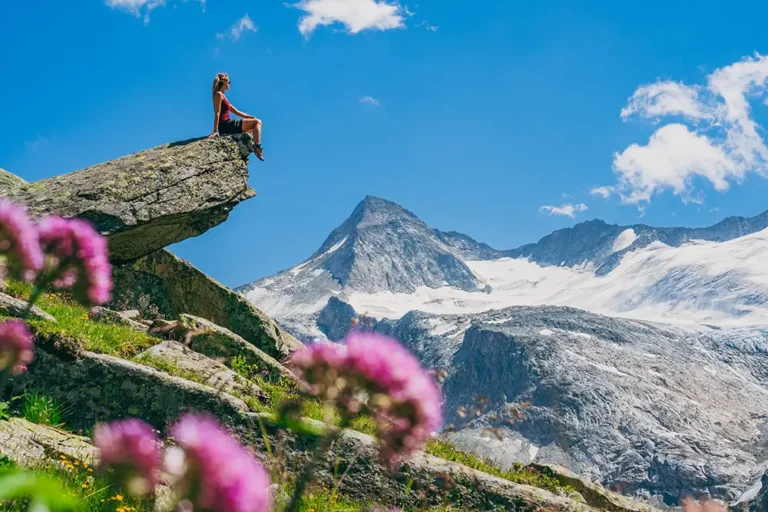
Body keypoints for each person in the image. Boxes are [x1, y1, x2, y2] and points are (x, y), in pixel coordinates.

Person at [208, 73, 264, 161]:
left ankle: (252, 144)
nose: (229, 84)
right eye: (228, 82)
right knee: (257, 122)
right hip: (225, 125)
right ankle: (257, 147)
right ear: (224, 82)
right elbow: (217, 113)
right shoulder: (218, 94)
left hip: (228, 124)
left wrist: (252, 118)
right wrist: (215, 131)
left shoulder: (223, 96)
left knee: (256, 124)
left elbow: (237, 112)